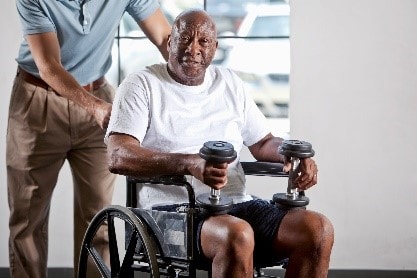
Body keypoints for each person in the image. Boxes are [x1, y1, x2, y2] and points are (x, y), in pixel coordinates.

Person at [106, 9, 334, 278]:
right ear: (169, 43)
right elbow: (118, 155)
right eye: (184, 39)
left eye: (203, 41)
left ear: (215, 48)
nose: (193, 49)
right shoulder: (142, 85)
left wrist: (292, 155)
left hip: (236, 206)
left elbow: (263, 142)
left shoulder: (229, 83)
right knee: (237, 234)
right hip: (168, 214)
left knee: (317, 229)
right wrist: (190, 164)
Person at [7, 0, 171, 277]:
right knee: (27, 220)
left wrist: (199, 78)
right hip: (38, 102)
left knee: (98, 217)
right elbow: (48, 66)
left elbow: (167, 39)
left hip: (99, 95)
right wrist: (93, 107)